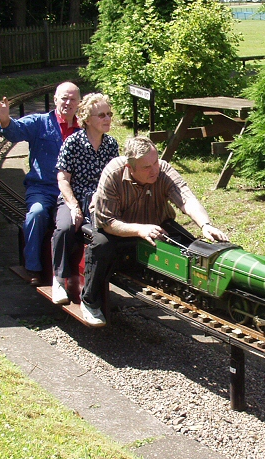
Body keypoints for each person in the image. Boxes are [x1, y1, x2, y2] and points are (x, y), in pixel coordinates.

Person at [80, 136, 229, 326]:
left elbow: (186, 198)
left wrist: (205, 224)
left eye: (155, 162)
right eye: (146, 167)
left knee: (190, 248)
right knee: (101, 246)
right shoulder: (113, 174)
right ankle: (90, 301)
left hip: (156, 221)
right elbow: (107, 222)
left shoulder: (163, 170)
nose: (154, 170)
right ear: (130, 168)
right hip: (117, 227)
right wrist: (139, 230)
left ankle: (203, 298)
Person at [0, 81, 80, 283]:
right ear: (55, 99)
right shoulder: (40, 122)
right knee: (36, 214)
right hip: (42, 188)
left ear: (79, 103)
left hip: (71, 190)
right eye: (64, 98)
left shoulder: (83, 128)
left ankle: (71, 271)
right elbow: (15, 131)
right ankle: (33, 267)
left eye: (73, 99)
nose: (68, 103)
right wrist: (4, 119)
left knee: (75, 222)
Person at [48, 93, 120, 304]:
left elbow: (114, 179)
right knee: (65, 228)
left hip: (99, 201)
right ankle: (58, 280)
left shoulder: (111, 144)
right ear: (87, 119)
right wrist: (74, 207)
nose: (107, 119)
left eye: (109, 114)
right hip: (73, 198)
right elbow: (63, 179)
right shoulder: (73, 142)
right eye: (101, 115)